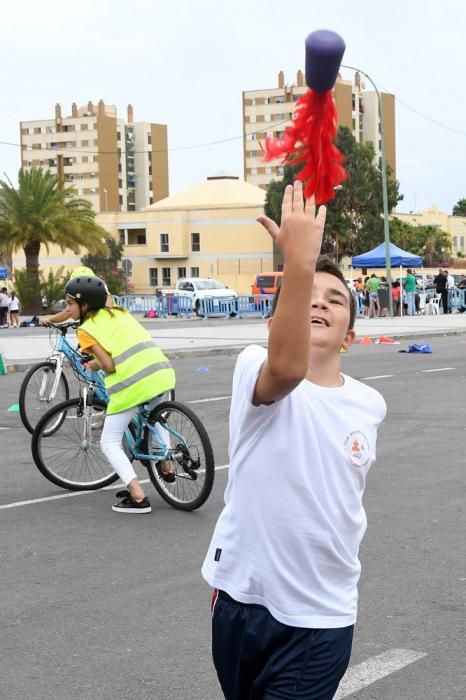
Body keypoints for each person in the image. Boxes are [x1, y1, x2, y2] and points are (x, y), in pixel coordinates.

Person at [202, 182, 387, 700]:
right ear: (279, 316)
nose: (319, 304)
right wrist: (297, 264)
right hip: (240, 599)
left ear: (350, 333)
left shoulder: (369, 404)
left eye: (336, 300)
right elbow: (286, 367)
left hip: (320, 615)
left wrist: (305, 265)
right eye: (307, 296)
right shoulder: (253, 369)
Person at [64, 275, 176, 513]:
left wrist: (93, 363)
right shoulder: (120, 313)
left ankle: (137, 496)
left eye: (70, 304)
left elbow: (110, 365)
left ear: (85, 306)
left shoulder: (85, 329)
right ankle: (167, 463)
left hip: (132, 384)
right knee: (156, 418)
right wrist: (96, 363)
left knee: (109, 442)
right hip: (161, 372)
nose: (67, 309)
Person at [42, 266, 113, 325]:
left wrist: (48, 319)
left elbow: (67, 313)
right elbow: (68, 312)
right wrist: (48, 319)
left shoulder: (104, 296)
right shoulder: (99, 292)